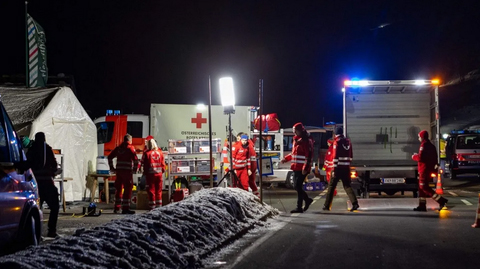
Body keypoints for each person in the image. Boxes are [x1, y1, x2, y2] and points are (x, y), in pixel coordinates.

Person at [26, 132, 60, 237]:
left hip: (35, 185)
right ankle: (52, 230)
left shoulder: (31, 150)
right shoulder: (47, 149)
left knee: (36, 209)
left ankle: (36, 233)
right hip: (47, 183)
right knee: (54, 207)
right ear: (44, 139)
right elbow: (54, 165)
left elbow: (27, 164)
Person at [323, 127, 359, 212]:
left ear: (335, 133)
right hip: (346, 167)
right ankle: (355, 203)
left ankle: (327, 205)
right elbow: (351, 155)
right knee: (347, 186)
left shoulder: (337, 142)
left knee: (331, 186)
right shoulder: (348, 142)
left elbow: (335, 156)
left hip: (338, 168)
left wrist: (334, 169)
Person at [281, 122, 314, 213]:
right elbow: (294, 154)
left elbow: (309, 155)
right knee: (297, 186)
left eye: (295, 131)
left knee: (297, 186)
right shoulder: (296, 140)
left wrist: (305, 168)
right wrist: (286, 159)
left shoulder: (306, 140)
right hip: (296, 167)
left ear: (300, 130)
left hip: (302, 168)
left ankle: (300, 206)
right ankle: (306, 201)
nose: (294, 132)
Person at [412, 130, 448, 211]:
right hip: (428, 170)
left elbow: (421, 158)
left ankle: (441, 201)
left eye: (419, 137)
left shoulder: (423, 145)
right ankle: (422, 205)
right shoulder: (431, 145)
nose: (418, 139)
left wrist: (414, 156)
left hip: (424, 170)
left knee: (423, 187)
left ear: (422, 137)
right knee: (421, 189)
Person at [108, 134, 139, 214]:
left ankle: (117, 207)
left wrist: (112, 168)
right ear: (130, 140)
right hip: (127, 172)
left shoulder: (119, 148)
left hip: (119, 172)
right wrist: (135, 169)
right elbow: (136, 160)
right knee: (127, 189)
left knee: (118, 189)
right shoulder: (130, 148)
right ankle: (125, 208)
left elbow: (110, 157)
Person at [141, 138, 165, 210]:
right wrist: (161, 171)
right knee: (159, 191)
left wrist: (145, 173)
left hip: (150, 175)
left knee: (151, 191)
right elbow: (163, 165)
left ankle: (152, 206)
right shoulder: (160, 153)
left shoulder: (147, 153)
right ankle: (159, 206)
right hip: (159, 175)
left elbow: (145, 165)